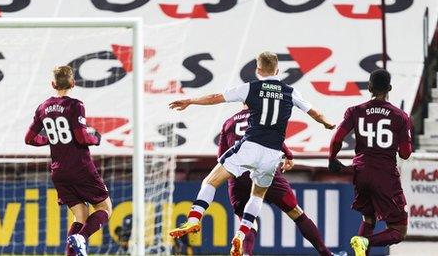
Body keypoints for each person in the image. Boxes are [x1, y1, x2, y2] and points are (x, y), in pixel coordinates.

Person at [168, 51, 335, 256]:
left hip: (250, 147)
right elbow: (315, 113)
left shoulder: (251, 88)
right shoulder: (290, 91)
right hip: (272, 155)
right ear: (278, 70)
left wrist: (191, 101)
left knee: (210, 181)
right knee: (257, 196)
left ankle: (194, 220)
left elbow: (215, 98)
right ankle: (241, 234)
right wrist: (327, 123)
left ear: (258, 70)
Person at [218, 105, 336, 256]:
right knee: (296, 212)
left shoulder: (228, 123)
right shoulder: (263, 117)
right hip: (265, 172)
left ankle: (246, 253)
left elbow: (221, 156)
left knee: (247, 220)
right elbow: (274, 137)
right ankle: (326, 254)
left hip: (238, 177)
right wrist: (289, 155)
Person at [25, 66, 111, 256]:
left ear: (53, 84)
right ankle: (82, 238)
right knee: (105, 208)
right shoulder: (75, 105)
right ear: (73, 83)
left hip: (59, 171)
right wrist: (95, 138)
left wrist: (49, 139)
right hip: (80, 167)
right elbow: (81, 137)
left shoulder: (43, 107)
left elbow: (29, 139)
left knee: (80, 215)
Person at [329, 69, 412, 256]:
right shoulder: (400, 116)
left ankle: (362, 243)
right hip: (385, 174)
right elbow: (405, 154)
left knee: (368, 219)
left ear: (369, 87)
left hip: (361, 172)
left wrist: (332, 158)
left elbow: (337, 138)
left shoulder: (355, 111)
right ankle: (365, 241)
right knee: (399, 230)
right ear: (389, 88)